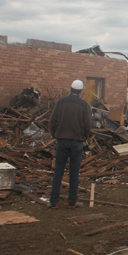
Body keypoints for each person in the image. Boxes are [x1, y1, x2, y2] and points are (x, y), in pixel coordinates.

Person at [49, 79, 92, 208]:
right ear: (80, 91)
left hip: (61, 141)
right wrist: (83, 137)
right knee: (74, 173)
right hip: (76, 142)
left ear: (71, 89)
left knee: (58, 172)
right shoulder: (84, 105)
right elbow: (88, 124)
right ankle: (72, 201)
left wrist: (55, 135)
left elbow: (52, 121)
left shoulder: (60, 103)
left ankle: (54, 202)